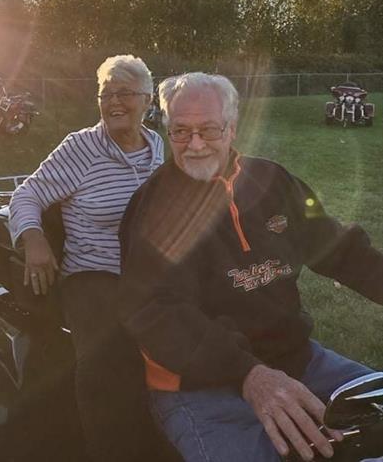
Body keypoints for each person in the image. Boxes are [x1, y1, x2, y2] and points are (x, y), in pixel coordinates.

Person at [119, 72, 383, 462]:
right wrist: (249, 374)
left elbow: (339, 248)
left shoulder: (273, 181)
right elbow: (155, 314)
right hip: (199, 386)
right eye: (181, 131)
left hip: (297, 361)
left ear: (232, 128)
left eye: (209, 130)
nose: (195, 145)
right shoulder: (151, 208)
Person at [8, 55, 166, 461]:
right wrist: (34, 240)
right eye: (105, 94)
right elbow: (26, 195)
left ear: (147, 100)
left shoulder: (157, 146)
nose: (113, 102)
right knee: (107, 361)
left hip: (149, 273)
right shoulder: (82, 147)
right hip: (93, 272)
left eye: (124, 93)